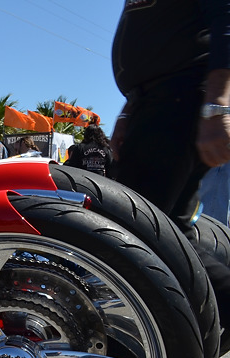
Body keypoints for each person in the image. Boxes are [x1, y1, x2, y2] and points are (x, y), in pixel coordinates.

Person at [110, 0, 230, 319]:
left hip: (182, 92)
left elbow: (224, 15)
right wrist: (129, 107)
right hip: (156, 98)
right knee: (166, 231)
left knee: (137, 230)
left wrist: (217, 104)